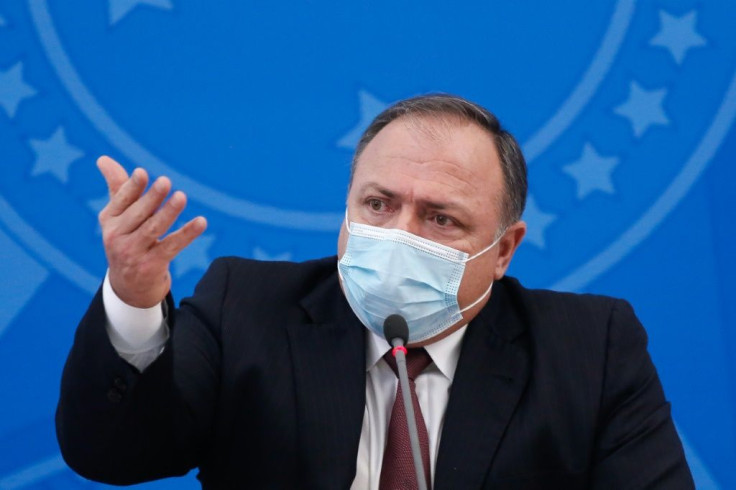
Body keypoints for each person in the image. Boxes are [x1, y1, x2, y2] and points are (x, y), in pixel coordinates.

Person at [56, 94, 694, 489]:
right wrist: (135, 297)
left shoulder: (591, 349)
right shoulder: (245, 306)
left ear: (503, 250)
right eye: (378, 204)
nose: (398, 235)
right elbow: (112, 456)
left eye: (440, 218)